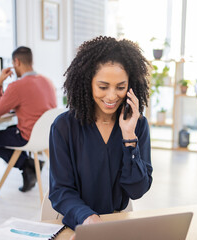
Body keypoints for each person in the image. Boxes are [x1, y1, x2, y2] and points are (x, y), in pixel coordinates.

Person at [49, 36, 153, 233]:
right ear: (87, 83)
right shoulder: (64, 127)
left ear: (130, 86)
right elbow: (60, 191)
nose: (112, 96)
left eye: (120, 87)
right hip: (77, 223)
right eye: (103, 87)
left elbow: (137, 190)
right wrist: (87, 218)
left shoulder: (138, 125)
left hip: (118, 224)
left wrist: (129, 137)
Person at [0, 46, 57, 192]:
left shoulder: (17, 86)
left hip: (27, 137)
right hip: (47, 137)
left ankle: (26, 164)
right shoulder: (47, 81)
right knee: (9, 130)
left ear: (16, 62)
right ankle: (29, 165)